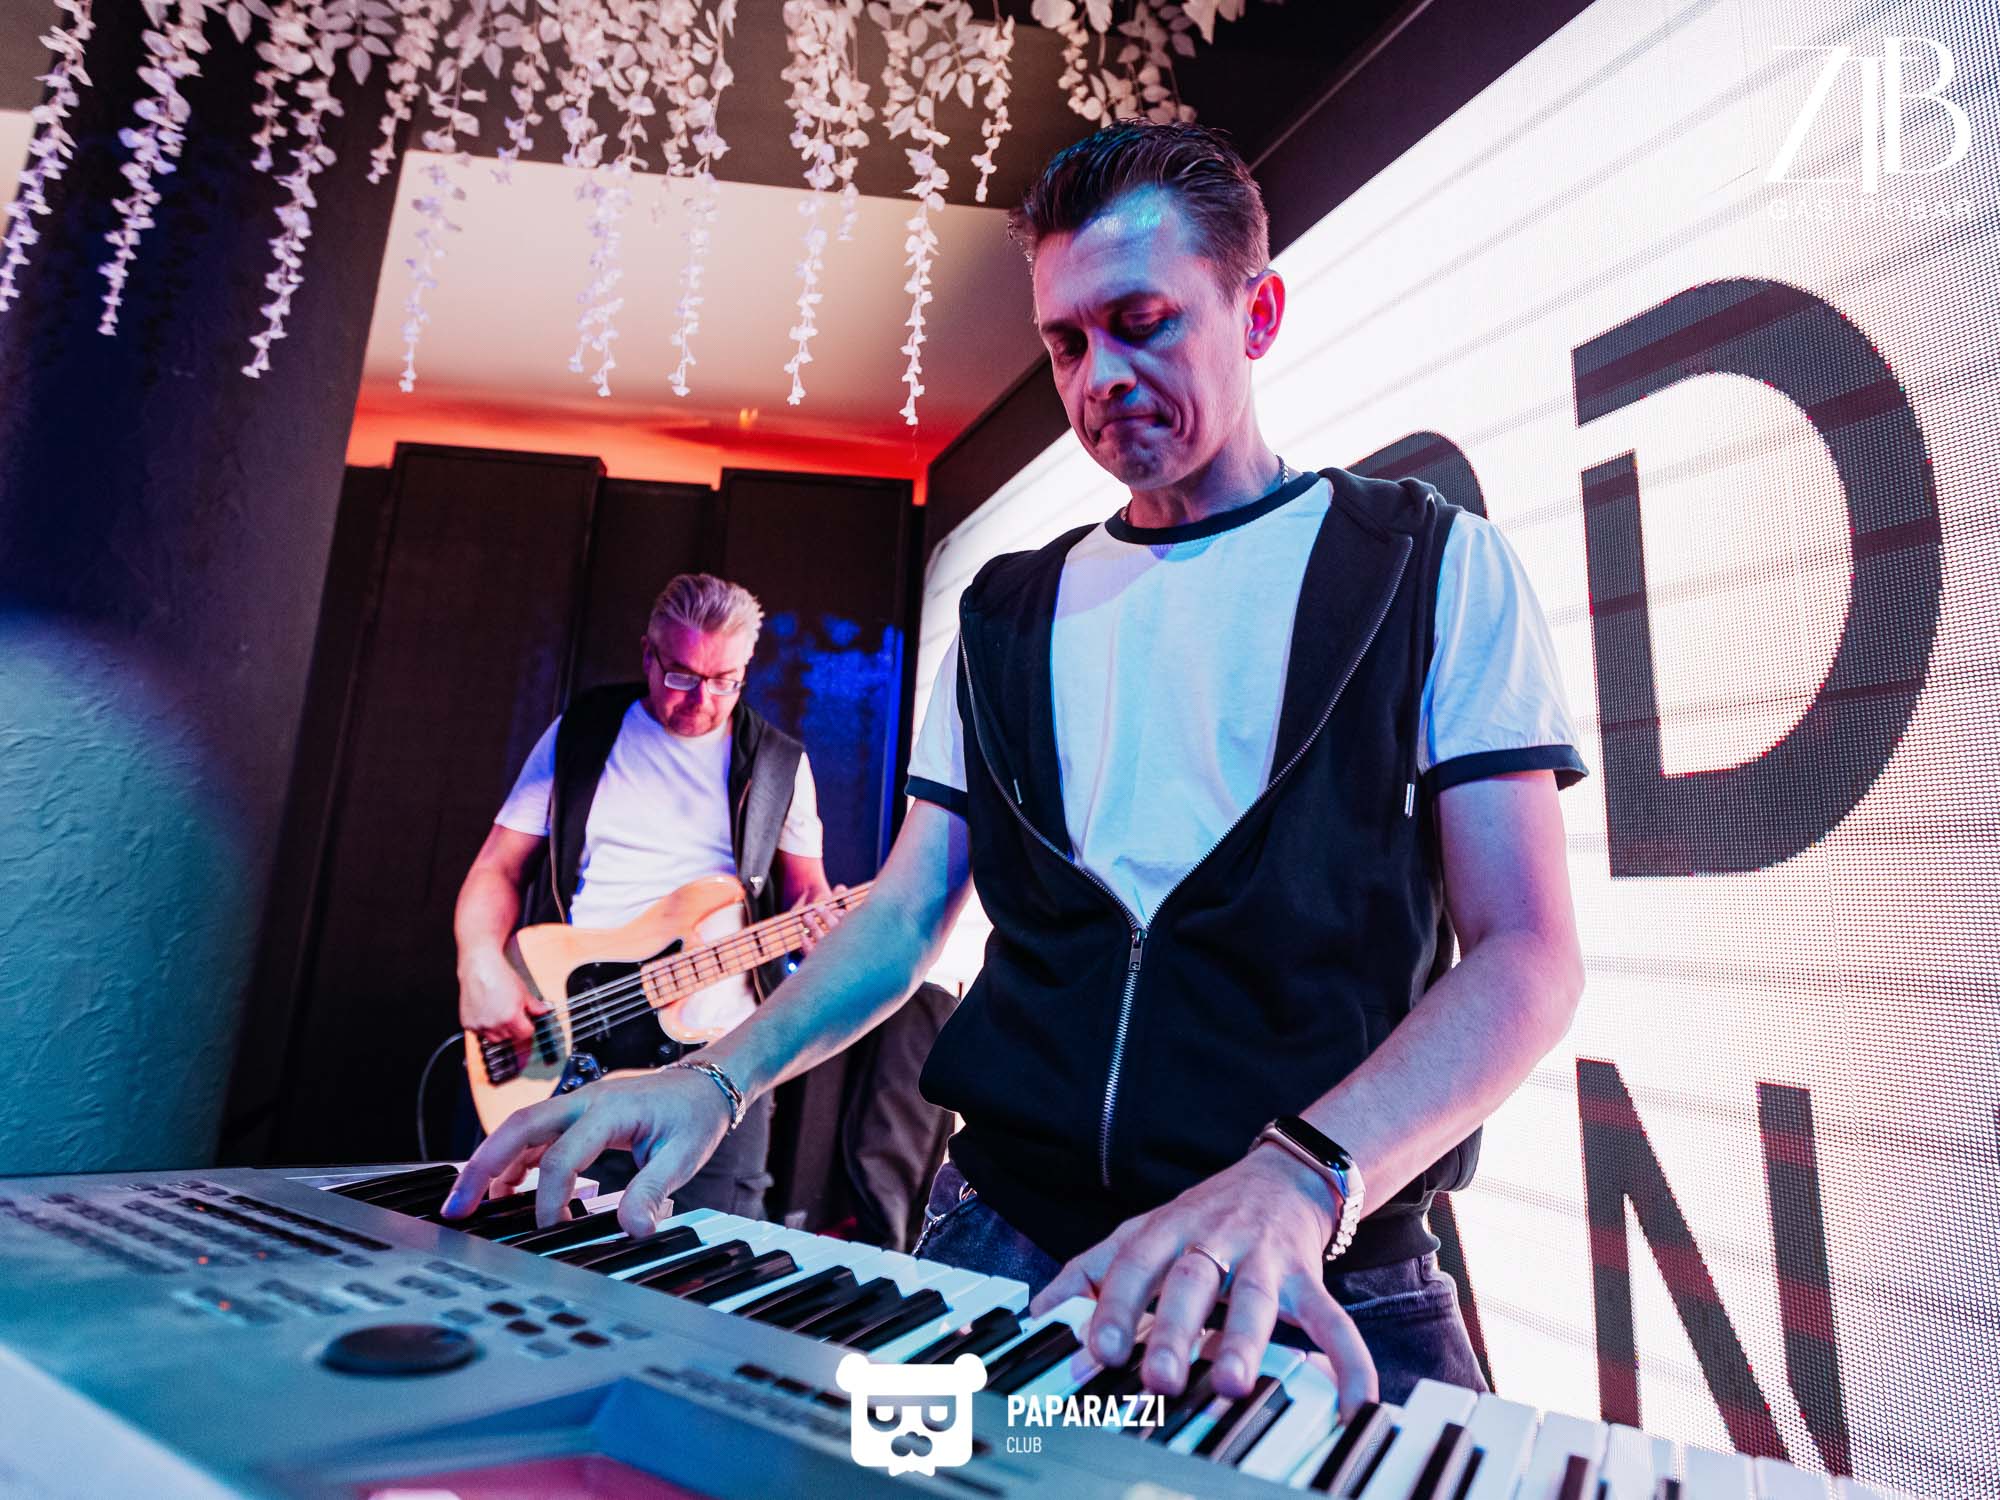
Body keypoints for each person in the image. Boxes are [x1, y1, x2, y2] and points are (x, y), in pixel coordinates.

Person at [445, 121, 1587, 1411]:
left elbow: (1525, 955)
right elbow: (906, 915)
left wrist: (1303, 1171)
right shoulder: (1004, 611)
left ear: (1257, 313)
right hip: (999, 1246)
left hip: (1317, 1262)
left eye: (1141, 322)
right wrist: (717, 1076)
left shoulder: (1430, 566)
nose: (1102, 376)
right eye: (1067, 344)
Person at [452, 572, 838, 1218]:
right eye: (682, 675)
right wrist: (480, 965)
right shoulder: (583, 734)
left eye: (725, 681)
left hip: (717, 1063)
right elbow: (497, 867)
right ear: (647, 655)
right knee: (522, 1234)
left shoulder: (779, 765)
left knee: (710, 1253)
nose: (702, 700)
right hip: (574, 1037)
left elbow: (810, 900)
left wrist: (824, 931)